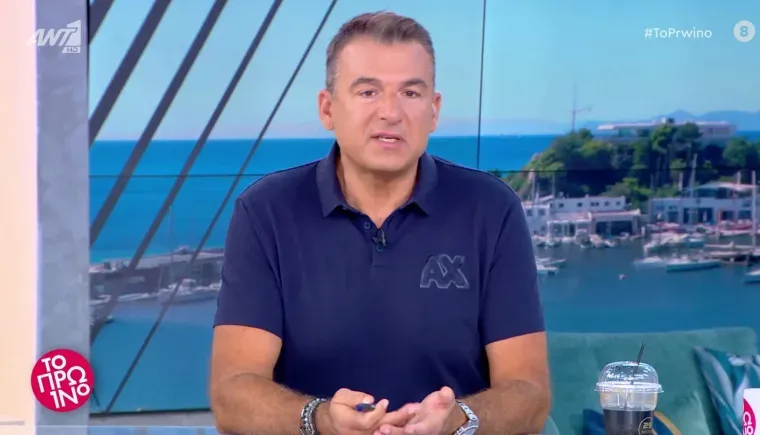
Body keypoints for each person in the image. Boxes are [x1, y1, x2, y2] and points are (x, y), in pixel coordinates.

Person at [209, 11, 551, 435]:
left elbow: (529, 394)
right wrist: (321, 419)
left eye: (410, 92)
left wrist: (457, 419)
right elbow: (233, 393)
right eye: (368, 91)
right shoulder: (265, 211)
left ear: (434, 110)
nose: (391, 112)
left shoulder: (492, 209)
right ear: (328, 108)